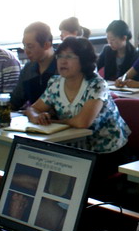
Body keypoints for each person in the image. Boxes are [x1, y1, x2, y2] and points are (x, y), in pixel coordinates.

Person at [26, 37, 129, 178]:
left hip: (105, 152)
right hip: (73, 150)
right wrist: (37, 117)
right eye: (60, 56)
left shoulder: (97, 84)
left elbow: (82, 123)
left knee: (58, 175)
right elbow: (33, 108)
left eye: (69, 56)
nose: (62, 61)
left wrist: (52, 122)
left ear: (84, 60)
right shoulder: (56, 83)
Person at [10, 22, 57, 110]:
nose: (26, 51)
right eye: (24, 46)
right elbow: (15, 102)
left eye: (30, 46)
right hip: (36, 120)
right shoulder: (28, 69)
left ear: (46, 45)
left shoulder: (63, 66)